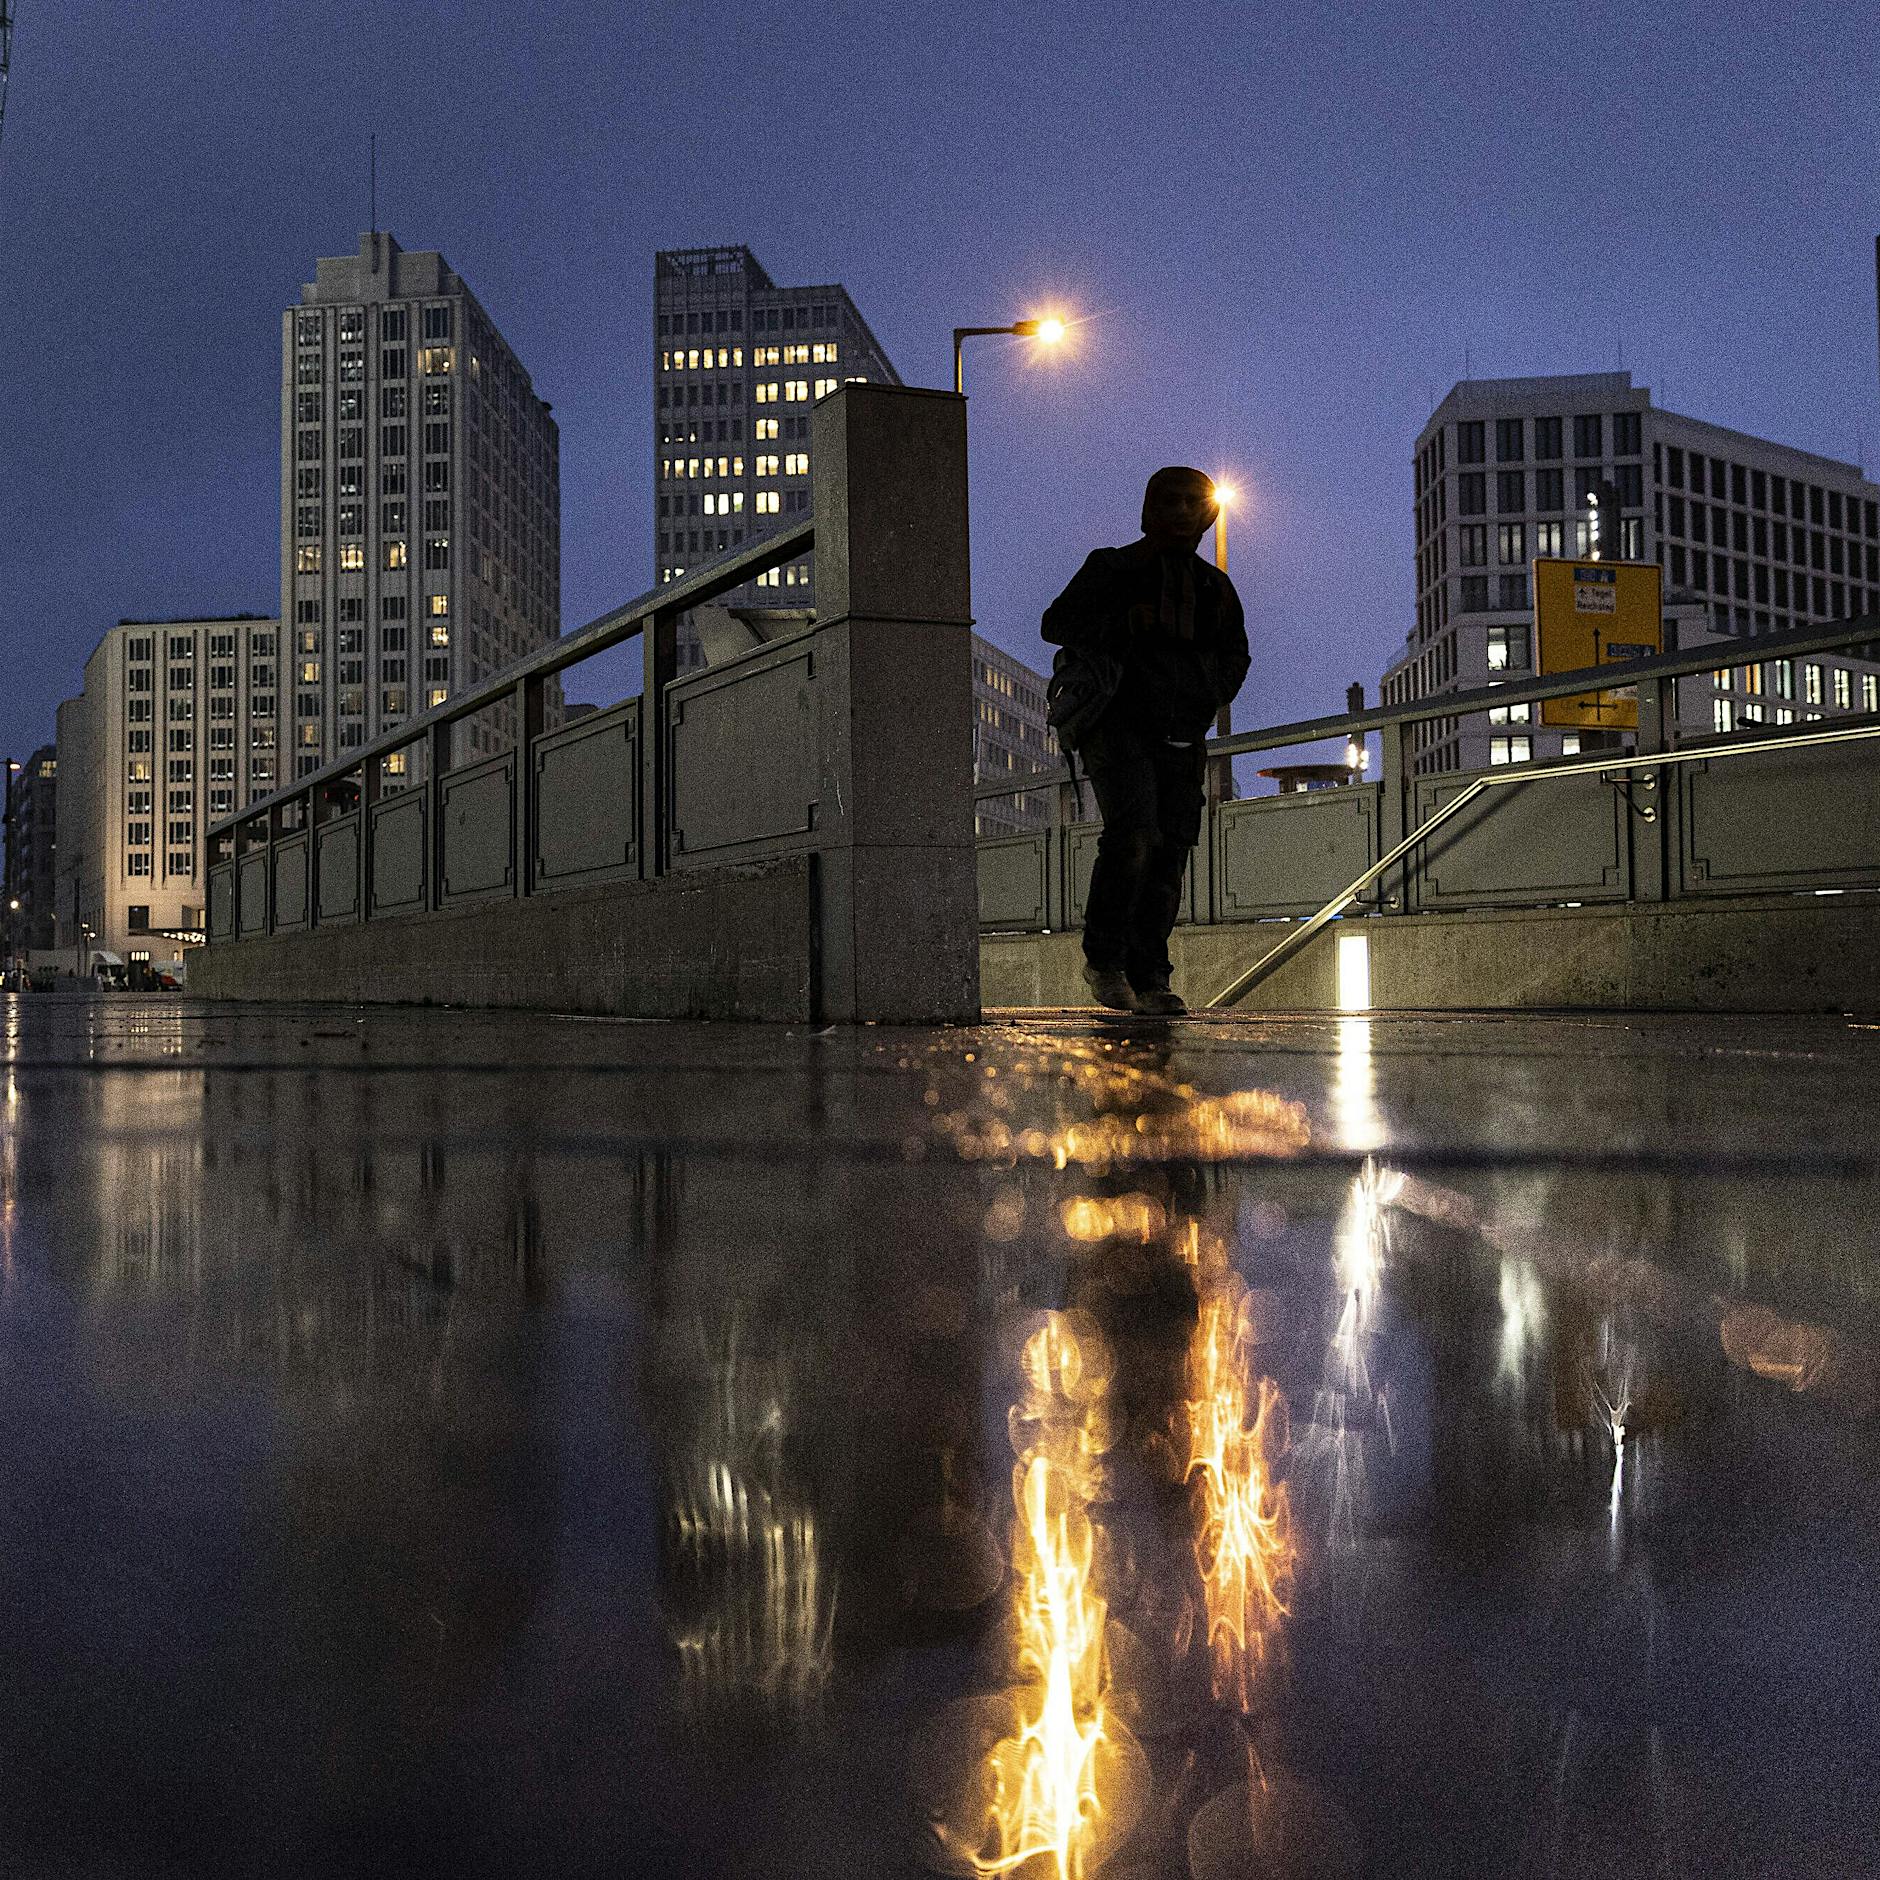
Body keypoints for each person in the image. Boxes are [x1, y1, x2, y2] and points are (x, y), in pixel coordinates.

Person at [1043, 467, 1248, 1015]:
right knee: (1134, 835)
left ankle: (1150, 976)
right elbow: (1056, 622)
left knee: (1170, 853)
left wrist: (1208, 694)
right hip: (1116, 726)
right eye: (1169, 500)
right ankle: (1106, 962)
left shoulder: (1213, 586)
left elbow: (1236, 656)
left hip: (1183, 732)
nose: (1181, 511)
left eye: (1192, 502)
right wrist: (1123, 621)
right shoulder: (1113, 566)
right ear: (1150, 506)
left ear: (1205, 514)